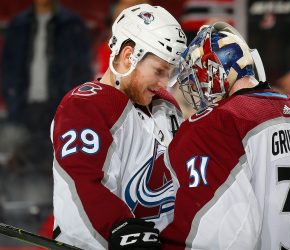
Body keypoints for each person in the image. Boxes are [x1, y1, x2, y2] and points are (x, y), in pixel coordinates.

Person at [157, 21, 290, 249]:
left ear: (214, 75)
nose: (197, 92)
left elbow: (224, 232)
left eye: (197, 81)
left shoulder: (219, 123)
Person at [51, 4, 186, 250]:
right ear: (128, 57)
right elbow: (82, 184)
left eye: (170, 73)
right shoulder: (85, 105)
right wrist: (119, 229)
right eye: (158, 71)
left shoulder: (166, 106)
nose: (164, 83)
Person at [0, 0, 93, 170]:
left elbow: (82, 70)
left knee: (57, 168)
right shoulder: (17, 25)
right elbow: (8, 69)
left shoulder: (73, 24)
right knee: (23, 168)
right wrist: (13, 103)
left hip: (59, 109)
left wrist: (72, 108)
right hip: (24, 108)